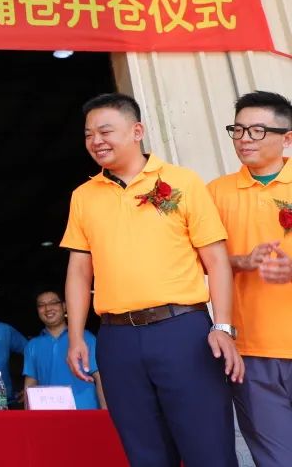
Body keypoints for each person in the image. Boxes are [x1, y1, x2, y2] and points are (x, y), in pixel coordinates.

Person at [62, 93, 243, 467]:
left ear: (137, 131)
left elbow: (216, 261)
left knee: (208, 448)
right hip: (117, 339)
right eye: (89, 134)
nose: (96, 141)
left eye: (105, 131)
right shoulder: (83, 196)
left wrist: (223, 326)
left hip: (183, 332)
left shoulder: (182, 182)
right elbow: (79, 271)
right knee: (144, 452)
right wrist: (76, 336)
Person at [207, 91, 292, 467]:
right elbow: (193, 260)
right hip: (252, 352)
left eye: (257, 130)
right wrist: (240, 261)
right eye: (238, 130)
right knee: (276, 460)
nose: (244, 139)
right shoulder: (215, 193)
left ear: (287, 138)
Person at [22, 289, 105, 409]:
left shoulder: (84, 338)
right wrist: (28, 416)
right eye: (41, 305)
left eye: (53, 303)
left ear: (64, 306)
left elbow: (100, 377)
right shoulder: (32, 346)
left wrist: (105, 413)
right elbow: (30, 385)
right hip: (48, 415)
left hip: (85, 413)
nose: (47, 308)